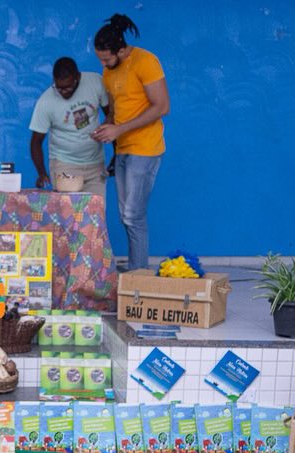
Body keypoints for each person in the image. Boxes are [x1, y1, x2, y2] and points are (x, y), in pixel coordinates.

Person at [91, 13, 170, 270]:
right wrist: (107, 126)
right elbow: (116, 109)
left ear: (122, 51)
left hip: (145, 148)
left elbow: (162, 106)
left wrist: (120, 129)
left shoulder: (146, 62)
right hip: (123, 148)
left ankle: (138, 272)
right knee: (126, 215)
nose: (103, 64)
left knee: (133, 214)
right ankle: (137, 267)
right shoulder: (109, 71)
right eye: (100, 59)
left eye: (106, 58)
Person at [29, 57, 109, 198]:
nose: (64, 92)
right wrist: (42, 173)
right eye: (59, 88)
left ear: (78, 77)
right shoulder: (46, 101)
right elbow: (36, 142)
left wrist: (116, 154)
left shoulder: (95, 82)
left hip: (96, 164)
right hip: (65, 165)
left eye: (69, 87)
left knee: (96, 210)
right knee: (68, 210)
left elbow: (111, 115)